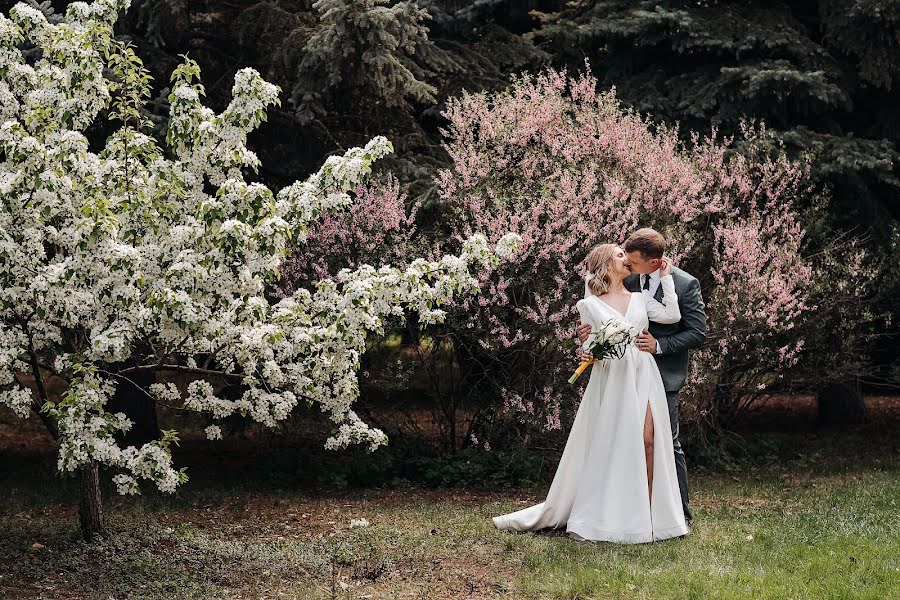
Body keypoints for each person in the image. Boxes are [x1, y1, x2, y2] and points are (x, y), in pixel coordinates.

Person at [492, 244, 690, 543]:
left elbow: (672, 316)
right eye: (621, 254)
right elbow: (589, 346)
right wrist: (590, 350)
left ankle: (652, 515)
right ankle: (611, 514)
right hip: (612, 378)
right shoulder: (590, 304)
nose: (628, 259)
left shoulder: (641, 297)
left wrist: (665, 278)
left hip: (643, 373)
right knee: (614, 444)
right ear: (605, 263)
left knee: (649, 440)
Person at [579, 228, 707, 525]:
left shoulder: (685, 284)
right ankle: (622, 508)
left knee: (665, 443)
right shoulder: (627, 278)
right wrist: (588, 336)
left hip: (661, 371)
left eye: (634, 261)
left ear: (653, 262)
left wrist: (659, 345)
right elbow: (597, 312)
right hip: (621, 372)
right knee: (620, 439)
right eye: (625, 257)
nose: (629, 264)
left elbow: (697, 332)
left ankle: (677, 514)